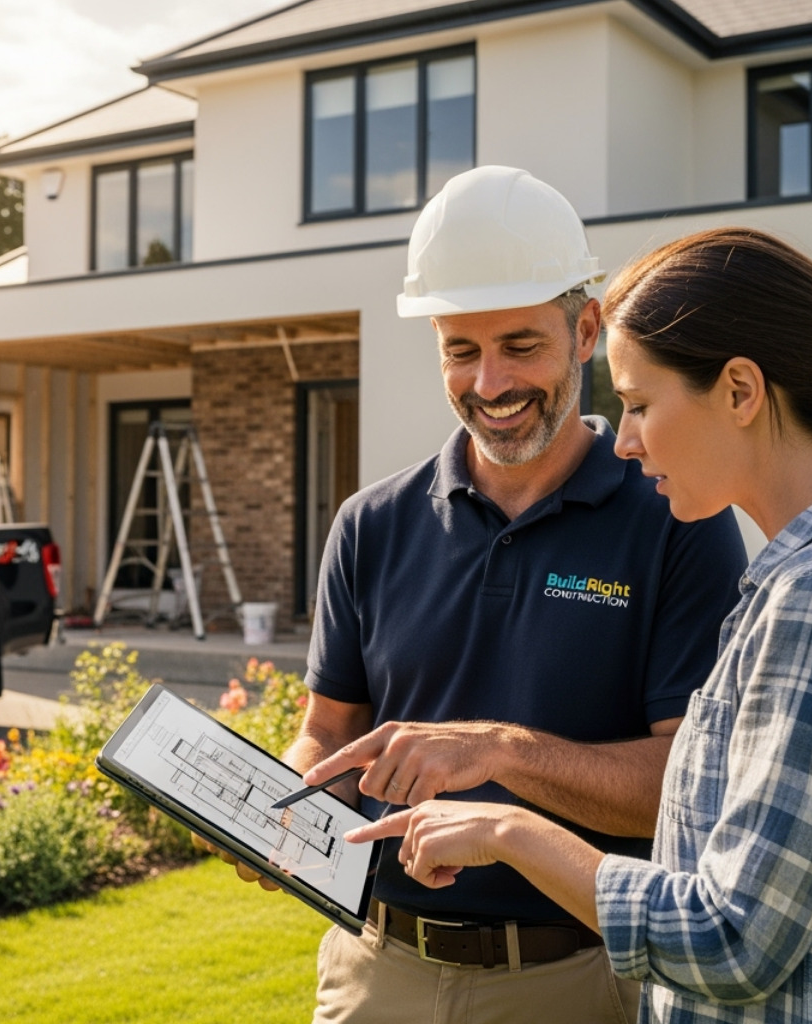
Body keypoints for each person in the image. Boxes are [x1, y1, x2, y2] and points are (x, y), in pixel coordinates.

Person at [350, 227, 812, 1023]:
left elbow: (728, 940)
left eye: (641, 404)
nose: (628, 438)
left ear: (741, 391)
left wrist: (511, 831)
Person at [226, 166, 748, 1023]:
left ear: (586, 332)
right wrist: (286, 801)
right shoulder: (370, 524)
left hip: (575, 977)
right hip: (374, 968)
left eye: (520, 346)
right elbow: (329, 728)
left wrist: (500, 751)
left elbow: (690, 785)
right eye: (461, 351)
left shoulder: (674, 518)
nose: (491, 384)